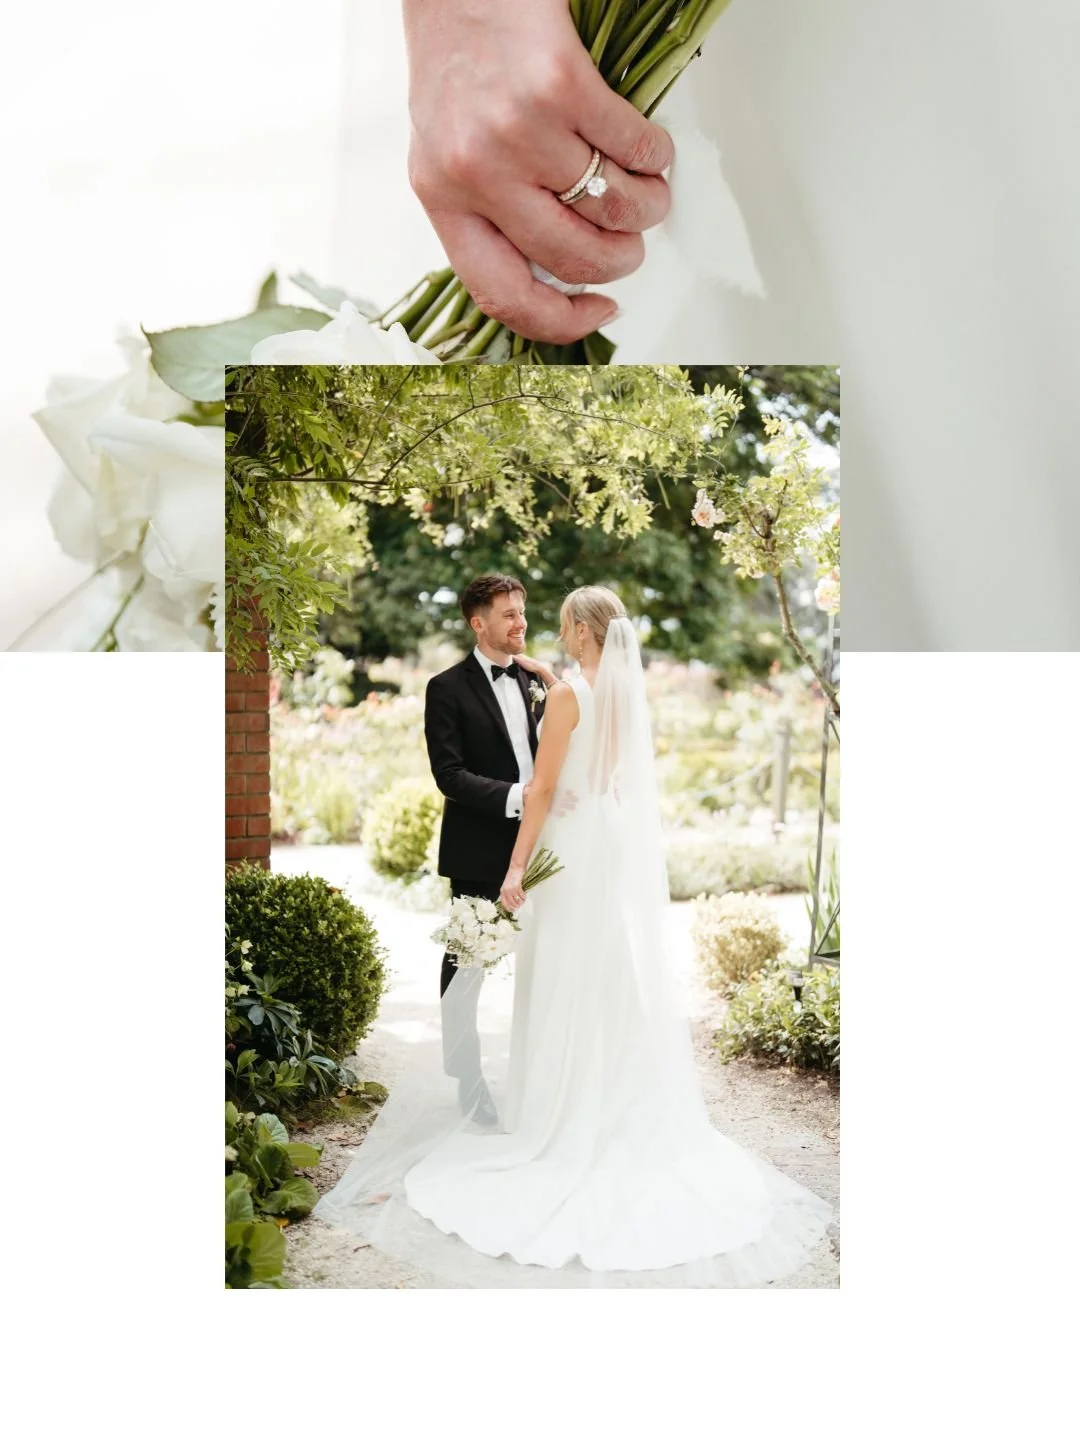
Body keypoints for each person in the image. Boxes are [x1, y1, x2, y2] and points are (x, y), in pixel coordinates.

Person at [313, 585, 832, 1286]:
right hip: (591, 846)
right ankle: (523, 1087)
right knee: (592, 969)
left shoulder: (560, 694)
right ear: (480, 621)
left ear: (582, 632)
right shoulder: (600, 692)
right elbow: (465, 769)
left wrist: (519, 863)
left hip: (554, 841)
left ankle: (553, 1111)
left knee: (558, 972)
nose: (535, 629)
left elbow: (546, 788)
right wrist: (555, 695)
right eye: (514, 616)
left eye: (552, 622)